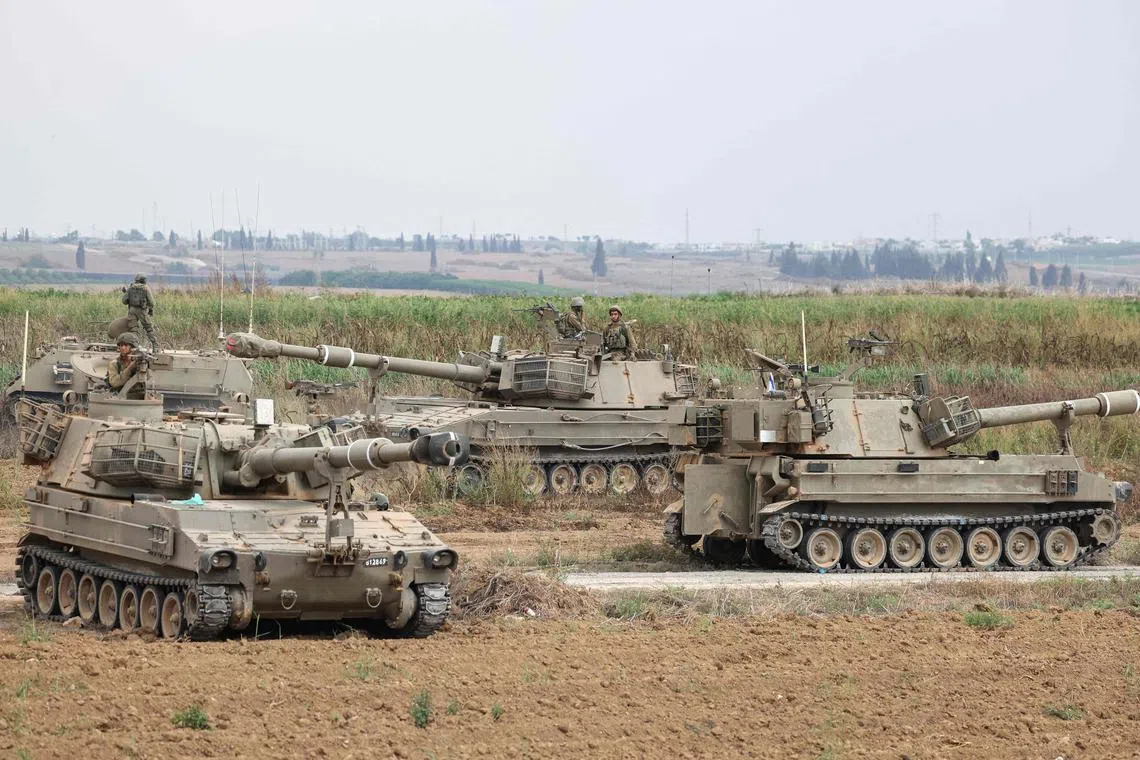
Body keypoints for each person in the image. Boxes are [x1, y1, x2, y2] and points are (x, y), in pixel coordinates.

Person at [122, 274, 159, 352]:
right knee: (149, 329)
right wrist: (149, 308)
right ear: (144, 280)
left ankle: (135, 347)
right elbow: (152, 303)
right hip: (142, 311)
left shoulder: (131, 288)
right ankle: (155, 347)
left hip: (131, 310)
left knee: (133, 330)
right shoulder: (145, 288)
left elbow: (124, 301)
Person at [106, 332, 145, 399]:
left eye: (126, 345)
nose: (123, 348)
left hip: (140, 397)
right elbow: (114, 383)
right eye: (121, 345)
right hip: (120, 397)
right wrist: (130, 368)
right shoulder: (114, 363)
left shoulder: (140, 362)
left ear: (133, 347)